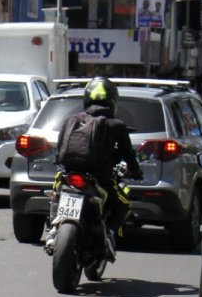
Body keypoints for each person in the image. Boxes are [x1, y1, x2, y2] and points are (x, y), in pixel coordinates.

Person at [52, 76, 142, 256]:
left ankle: (53, 228)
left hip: (69, 174)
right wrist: (136, 171)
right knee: (124, 203)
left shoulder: (71, 120)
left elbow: (60, 148)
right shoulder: (116, 124)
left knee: (56, 191)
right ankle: (108, 234)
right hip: (100, 178)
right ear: (113, 100)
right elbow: (128, 154)